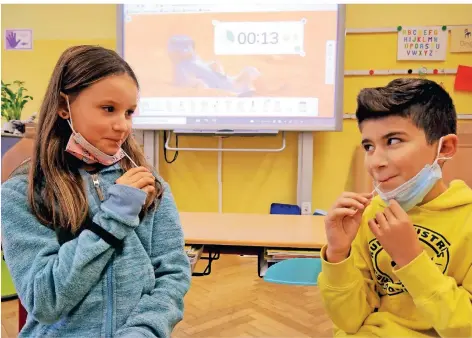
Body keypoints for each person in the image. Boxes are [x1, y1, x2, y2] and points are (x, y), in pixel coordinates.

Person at [1, 45, 191, 337]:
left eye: (129, 112)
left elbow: (173, 273)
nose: (122, 126)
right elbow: (45, 301)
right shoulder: (22, 193)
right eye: (108, 109)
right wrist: (114, 215)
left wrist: (143, 331)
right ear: (64, 107)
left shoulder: (147, 183)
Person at [318, 78, 472, 337]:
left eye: (393, 141)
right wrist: (338, 253)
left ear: (444, 147)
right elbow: (349, 321)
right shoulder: (367, 216)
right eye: (368, 146)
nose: (375, 162)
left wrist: (411, 259)